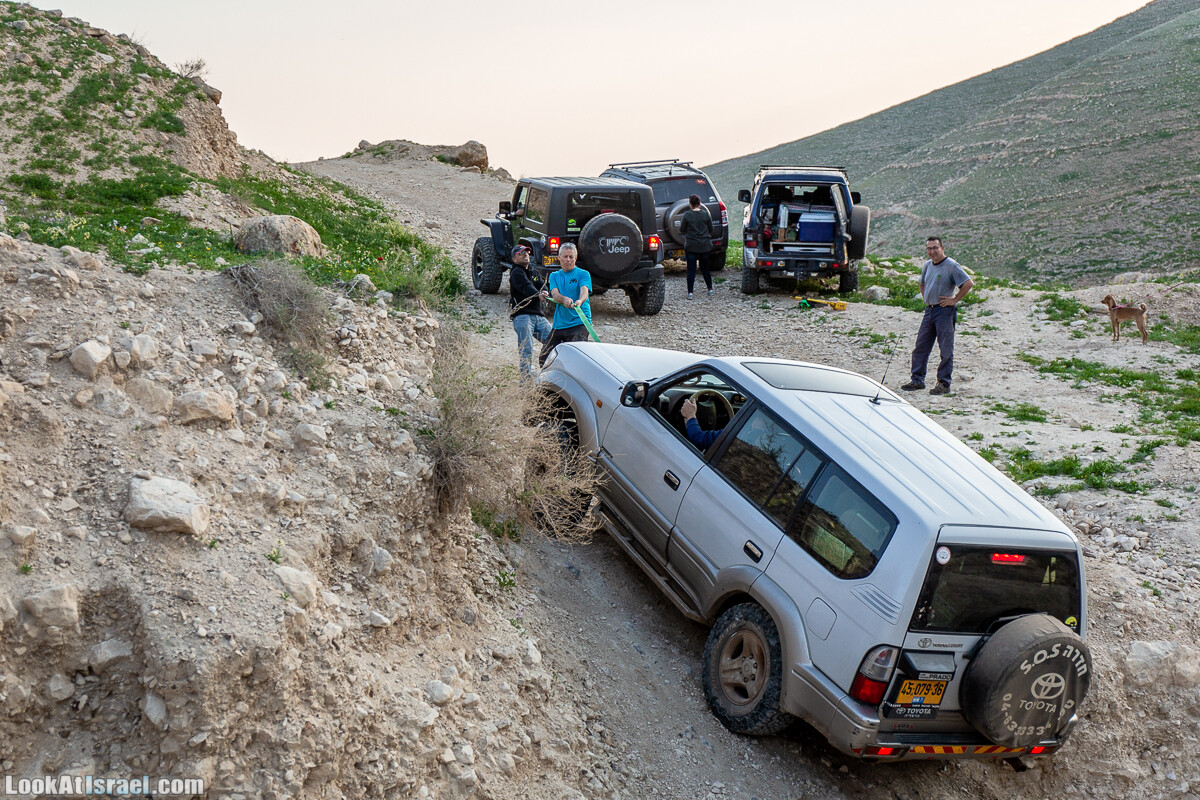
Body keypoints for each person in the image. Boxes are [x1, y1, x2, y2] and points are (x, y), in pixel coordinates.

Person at [901, 236, 974, 395]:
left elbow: (968, 283)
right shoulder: (927, 265)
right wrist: (926, 297)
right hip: (930, 311)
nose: (932, 251)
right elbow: (922, 283)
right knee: (921, 346)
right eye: (929, 248)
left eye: (935, 248)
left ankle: (944, 384)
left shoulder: (951, 266)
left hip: (944, 312)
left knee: (945, 349)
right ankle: (917, 380)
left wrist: (954, 300)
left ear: (942, 248)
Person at [538, 242, 592, 366]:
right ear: (559, 257)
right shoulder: (554, 276)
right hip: (560, 324)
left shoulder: (583, 274)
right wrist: (564, 300)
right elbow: (555, 295)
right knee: (544, 357)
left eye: (571, 257)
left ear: (575, 258)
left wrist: (579, 301)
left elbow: (584, 291)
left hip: (579, 322)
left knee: (575, 359)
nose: (568, 260)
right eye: (565, 256)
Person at [508, 244, 551, 379]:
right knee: (526, 350)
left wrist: (546, 291)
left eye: (527, 252)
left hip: (538, 316)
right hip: (522, 316)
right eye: (521, 253)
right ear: (514, 259)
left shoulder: (534, 273)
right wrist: (538, 294)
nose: (526, 254)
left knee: (553, 342)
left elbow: (544, 284)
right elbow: (526, 287)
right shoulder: (516, 272)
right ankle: (525, 384)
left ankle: (549, 375)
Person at [679, 194, 714, 299]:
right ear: (699, 203)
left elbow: (682, 229)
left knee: (691, 270)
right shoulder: (706, 214)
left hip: (691, 245)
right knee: (705, 268)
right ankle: (710, 289)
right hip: (705, 245)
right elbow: (711, 229)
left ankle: (690, 293)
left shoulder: (687, 215)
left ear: (690, 204)